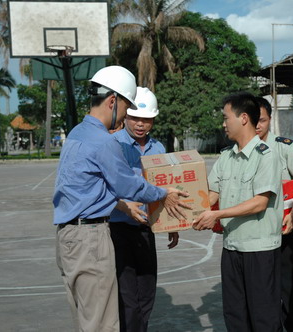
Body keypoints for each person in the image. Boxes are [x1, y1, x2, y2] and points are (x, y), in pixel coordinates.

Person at [53, 66, 189, 332]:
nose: (129, 117)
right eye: (128, 109)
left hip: (71, 237)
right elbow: (127, 184)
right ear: (113, 101)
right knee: (103, 322)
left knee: (89, 319)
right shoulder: (103, 141)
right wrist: (164, 194)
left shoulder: (77, 134)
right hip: (91, 236)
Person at [192, 92, 283, 331]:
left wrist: (217, 215)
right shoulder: (226, 157)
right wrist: (182, 215)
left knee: (264, 317)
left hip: (259, 250)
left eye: (226, 117)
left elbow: (259, 203)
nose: (223, 123)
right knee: (235, 316)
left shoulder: (267, 155)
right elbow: (210, 195)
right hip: (232, 248)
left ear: (243, 118)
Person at [109, 87, 179, 332]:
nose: (141, 124)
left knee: (147, 292)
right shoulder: (112, 144)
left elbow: (164, 188)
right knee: (127, 295)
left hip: (145, 230)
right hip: (117, 228)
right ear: (125, 116)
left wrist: (172, 223)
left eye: (147, 119)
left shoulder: (158, 149)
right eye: (135, 118)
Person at [255, 96, 293, 331]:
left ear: (270, 120)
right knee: (263, 286)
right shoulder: (241, 150)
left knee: (291, 285)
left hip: (286, 227)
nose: (258, 126)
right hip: (258, 231)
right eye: (254, 120)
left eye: (263, 120)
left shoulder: (284, 146)